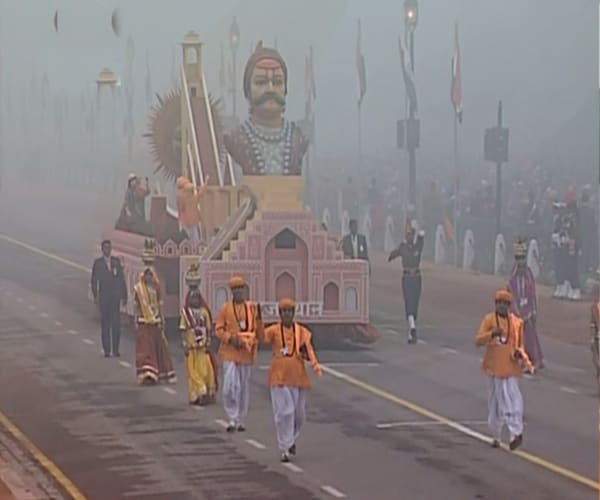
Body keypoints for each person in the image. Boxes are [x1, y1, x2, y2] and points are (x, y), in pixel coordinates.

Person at [224, 42, 308, 175]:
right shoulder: (235, 140)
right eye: (261, 82)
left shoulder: (298, 139)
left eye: (277, 82)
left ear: (285, 89)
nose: (270, 89)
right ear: (248, 91)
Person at [259, 298, 321, 462]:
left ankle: (290, 439)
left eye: (289, 311)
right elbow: (260, 338)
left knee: (298, 415)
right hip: (279, 377)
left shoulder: (302, 332)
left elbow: (309, 350)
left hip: (297, 376)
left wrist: (314, 365)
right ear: (280, 314)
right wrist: (258, 320)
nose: (286, 314)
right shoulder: (273, 330)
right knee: (285, 412)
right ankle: (285, 447)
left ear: (293, 314)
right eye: (284, 311)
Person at [475, 289, 534, 450]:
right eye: (499, 303)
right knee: (494, 403)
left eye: (505, 304)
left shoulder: (515, 323)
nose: (502, 306)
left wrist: (518, 353)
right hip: (494, 367)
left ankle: (516, 432)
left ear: (509, 306)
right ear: (495, 304)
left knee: (511, 400)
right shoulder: (489, 320)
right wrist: (491, 334)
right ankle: (496, 435)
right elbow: (478, 340)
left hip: (509, 367)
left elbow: (519, 345)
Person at [215, 276, 262, 432]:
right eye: (235, 289)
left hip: (245, 353)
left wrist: (249, 340)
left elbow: (257, 330)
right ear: (232, 292)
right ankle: (231, 418)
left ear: (244, 290)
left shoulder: (251, 308)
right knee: (229, 386)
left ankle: (240, 419)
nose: (238, 292)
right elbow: (219, 329)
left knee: (242, 387)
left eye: (240, 288)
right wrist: (230, 338)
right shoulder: (226, 308)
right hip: (230, 351)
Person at [133, 242, 177, 385]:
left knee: (158, 348)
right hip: (144, 322)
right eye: (147, 276)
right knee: (145, 349)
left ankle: (159, 372)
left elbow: (160, 303)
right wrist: (136, 319)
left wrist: (162, 318)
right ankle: (147, 373)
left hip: (155, 321)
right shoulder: (139, 288)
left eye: (150, 275)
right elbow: (136, 306)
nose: (149, 278)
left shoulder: (156, 286)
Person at [508, 237, 543, 369]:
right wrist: (515, 310)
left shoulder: (528, 274)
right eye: (518, 258)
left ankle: (534, 359)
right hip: (517, 310)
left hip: (528, 308)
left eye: (522, 258)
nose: (520, 261)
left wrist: (533, 310)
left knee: (530, 335)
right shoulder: (513, 275)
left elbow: (532, 293)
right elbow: (511, 293)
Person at [388, 220, 425, 344]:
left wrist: (415, 224)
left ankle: (411, 329)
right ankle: (412, 328)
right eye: (408, 235)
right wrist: (398, 249)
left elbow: (422, 234)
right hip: (407, 277)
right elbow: (392, 256)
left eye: (411, 235)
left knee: (415, 304)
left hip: (417, 277)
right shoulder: (403, 247)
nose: (410, 237)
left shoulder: (417, 246)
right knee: (409, 303)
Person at [91, 239, 127, 357]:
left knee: (116, 324)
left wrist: (124, 295)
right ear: (102, 249)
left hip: (115, 298)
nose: (107, 250)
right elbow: (94, 280)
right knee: (105, 324)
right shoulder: (98, 263)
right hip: (104, 298)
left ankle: (115, 349)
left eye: (109, 247)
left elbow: (121, 279)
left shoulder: (116, 262)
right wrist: (96, 296)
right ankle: (107, 349)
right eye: (105, 248)